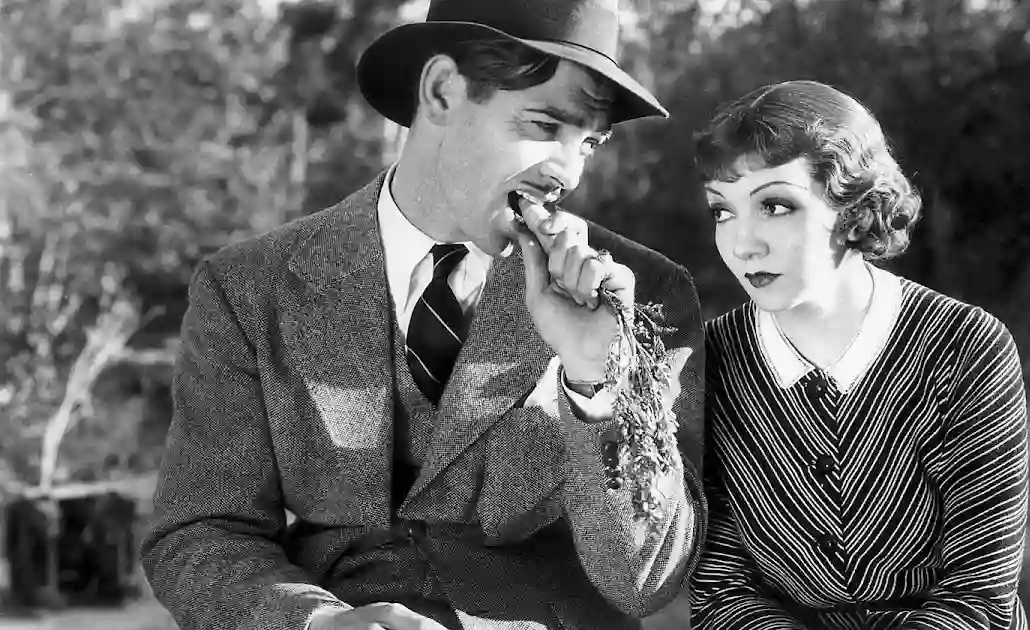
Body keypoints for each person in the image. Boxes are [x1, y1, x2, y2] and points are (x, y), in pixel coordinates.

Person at [139, 1, 706, 629]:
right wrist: (317, 624)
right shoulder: (249, 287)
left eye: (589, 142)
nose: (568, 171)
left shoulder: (641, 295)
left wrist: (597, 378)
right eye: (546, 124)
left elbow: (647, 580)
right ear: (441, 92)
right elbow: (202, 533)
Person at [689, 80, 1029, 630]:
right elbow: (723, 590)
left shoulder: (965, 344)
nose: (743, 243)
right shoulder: (712, 359)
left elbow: (979, 596)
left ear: (853, 209)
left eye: (775, 205)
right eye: (722, 212)